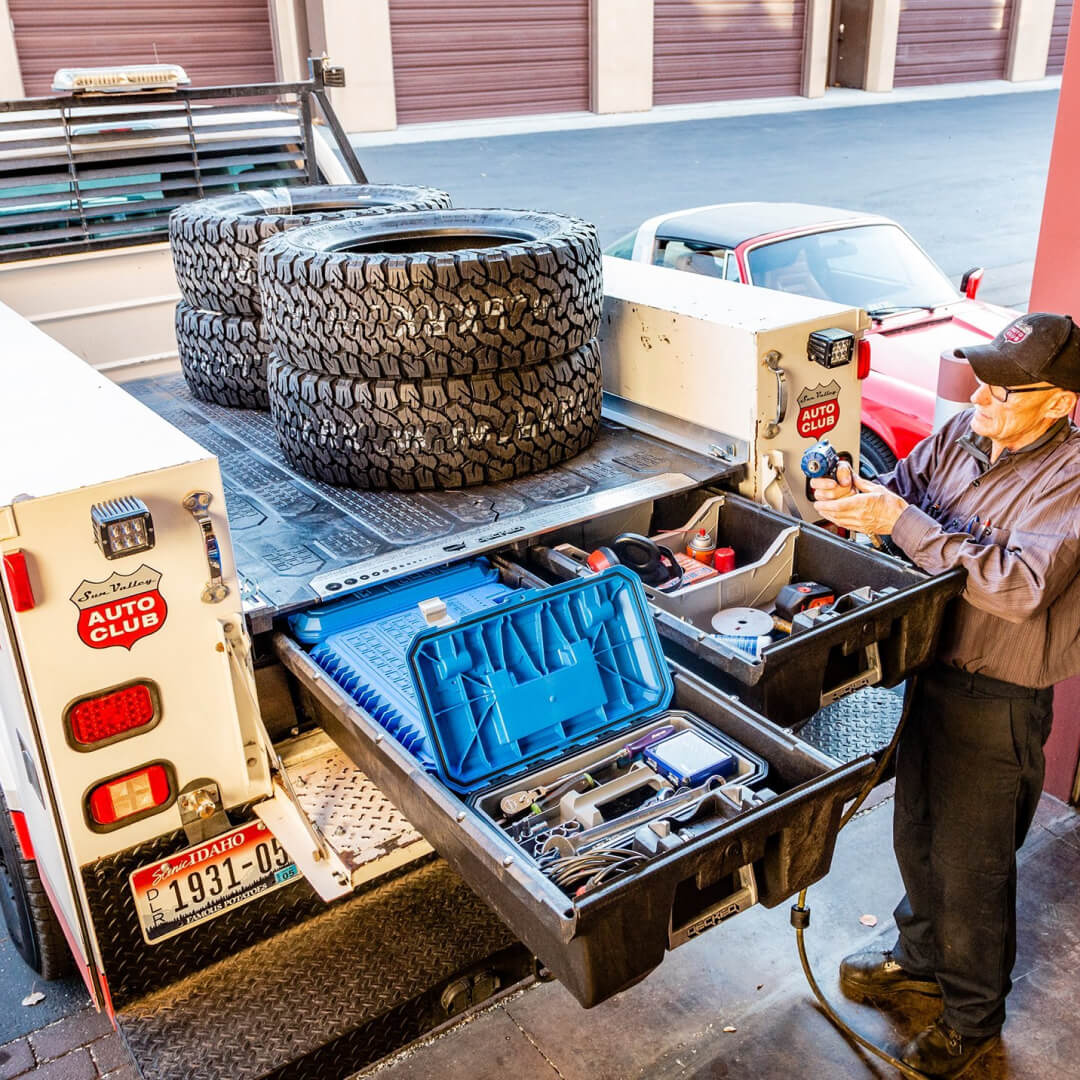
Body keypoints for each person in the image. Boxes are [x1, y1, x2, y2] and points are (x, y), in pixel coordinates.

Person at [811, 312, 1080, 1078]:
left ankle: (971, 1018)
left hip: (999, 695)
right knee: (917, 830)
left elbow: (1017, 586)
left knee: (974, 867)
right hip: (928, 667)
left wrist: (902, 520)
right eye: (980, 380)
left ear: (1060, 402)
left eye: (1003, 390)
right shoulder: (961, 437)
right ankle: (918, 954)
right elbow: (899, 495)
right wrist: (854, 498)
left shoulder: (1074, 481)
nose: (981, 400)